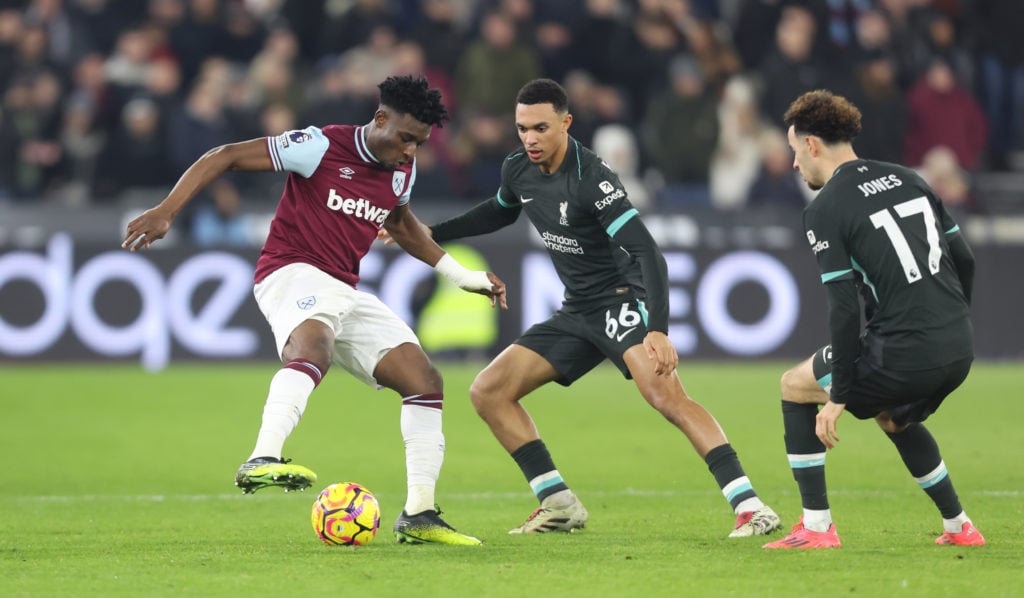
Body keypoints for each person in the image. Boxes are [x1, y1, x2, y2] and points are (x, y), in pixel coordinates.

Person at [121, 75, 507, 546]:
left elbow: (401, 223)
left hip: (343, 288)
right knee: (314, 347)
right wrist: (167, 210)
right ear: (380, 118)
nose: (411, 151)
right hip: (291, 270)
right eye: (406, 138)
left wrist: (461, 275)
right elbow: (223, 156)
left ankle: (419, 513)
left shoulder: (402, 170)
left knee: (423, 380)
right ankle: (263, 457)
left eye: (420, 144)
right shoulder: (319, 146)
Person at [390, 78, 781, 537]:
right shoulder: (518, 169)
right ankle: (558, 504)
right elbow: (499, 211)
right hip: (577, 310)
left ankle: (751, 506)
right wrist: (434, 232)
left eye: (540, 127)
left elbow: (648, 253)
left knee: (665, 396)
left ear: (565, 123)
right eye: (522, 129)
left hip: (620, 299)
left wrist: (657, 328)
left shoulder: (592, 178)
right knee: (488, 391)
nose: (530, 138)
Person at [762, 90, 984, 549]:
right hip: (959, 347)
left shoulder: (825, 208)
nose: (795, 164)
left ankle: (817, 527)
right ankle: (959, 525)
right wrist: (953, 321)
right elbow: (965, 260)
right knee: (892, 416)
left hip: (904, 352)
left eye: (794, 150)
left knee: (794, 385)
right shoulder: (910, 177)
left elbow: (844, 308)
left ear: (812, 145)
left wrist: (838, 395)